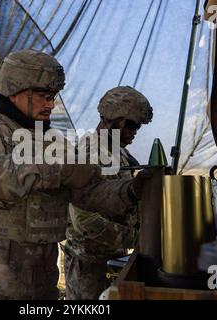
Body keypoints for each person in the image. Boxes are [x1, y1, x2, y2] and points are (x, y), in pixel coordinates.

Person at [0, 50, 151, 300]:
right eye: (44, 96)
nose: (52, 104)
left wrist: (130, 191)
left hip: (36, 284)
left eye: (54, 97)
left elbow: (87, 192)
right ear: (15, 90)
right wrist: (54, 167)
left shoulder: (49, 138)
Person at [63, 86, 153, 300]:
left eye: (138, 127)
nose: (134, 132)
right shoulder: (90, 153)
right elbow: (84, 220)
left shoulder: (116, 150)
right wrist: (135, 239)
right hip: (89, 264)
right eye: (130, 125)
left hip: (109, 259)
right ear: (111, 119)